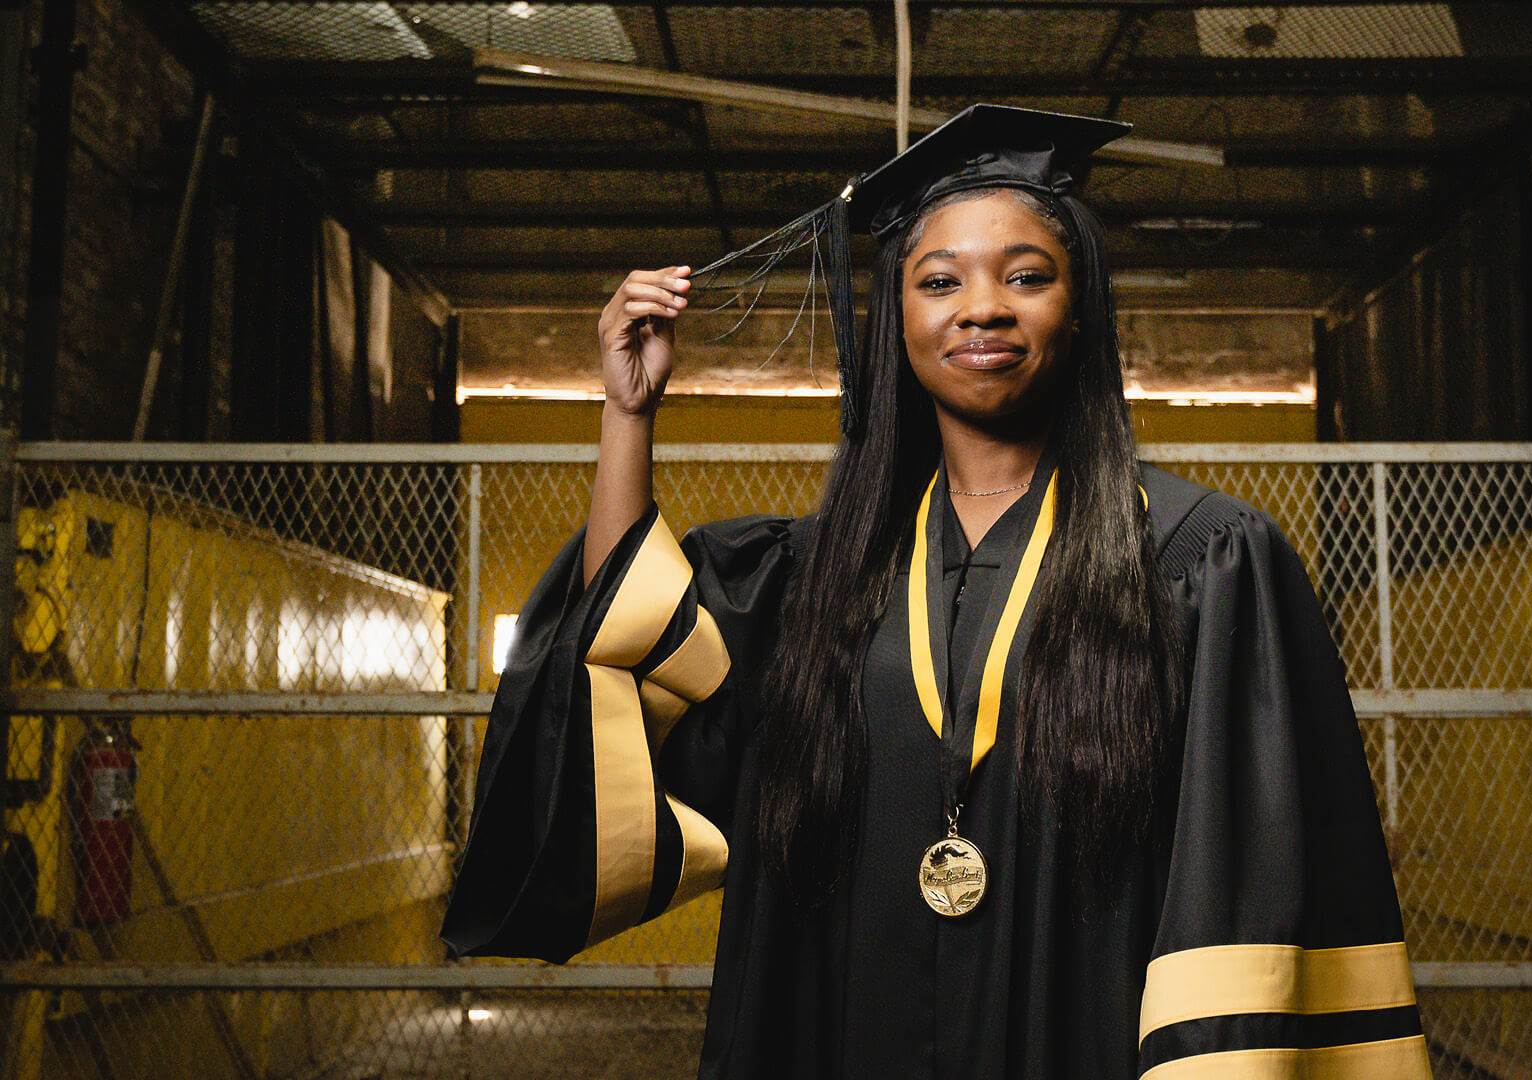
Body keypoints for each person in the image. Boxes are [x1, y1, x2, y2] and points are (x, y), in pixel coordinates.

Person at [441, 104, 1428, 1080]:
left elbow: (1248, 877)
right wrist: (627, 414)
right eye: (939, 280)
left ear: (1079, 308)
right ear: (897, 321)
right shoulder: (816, 579)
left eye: (1027, 276)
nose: (984, 308)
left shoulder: (1201, 562)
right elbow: (630, 654)